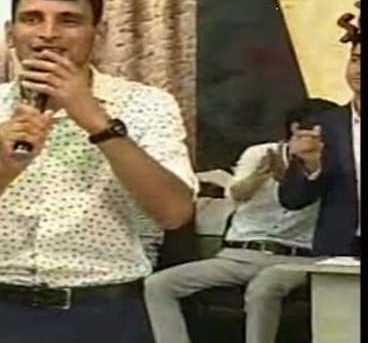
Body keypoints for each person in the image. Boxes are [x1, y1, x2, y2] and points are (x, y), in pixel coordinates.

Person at [0, 0, 197, 343]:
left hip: (102, 311)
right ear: (10, 34)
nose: (48, 34)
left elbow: (174, 212)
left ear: (98, 35)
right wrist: (3, 169)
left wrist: (97, 123)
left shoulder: (146, 104)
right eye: (32, 19)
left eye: (68, 20)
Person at [144, 98, 338, 343]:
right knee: (158, 284)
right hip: (242, 253)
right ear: (295, 129)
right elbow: (236, 195)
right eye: (313, 132)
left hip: (297, 257)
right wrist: (259, 176)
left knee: (264, 286)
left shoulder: (339, 161)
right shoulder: (260, 153)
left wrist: (310, 167)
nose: (320, 138)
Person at [279, 3, 361, 256]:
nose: (358, 70)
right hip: (341, 253)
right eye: (355, 60)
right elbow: (292, 200)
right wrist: (310, 165)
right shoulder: (324, 127)